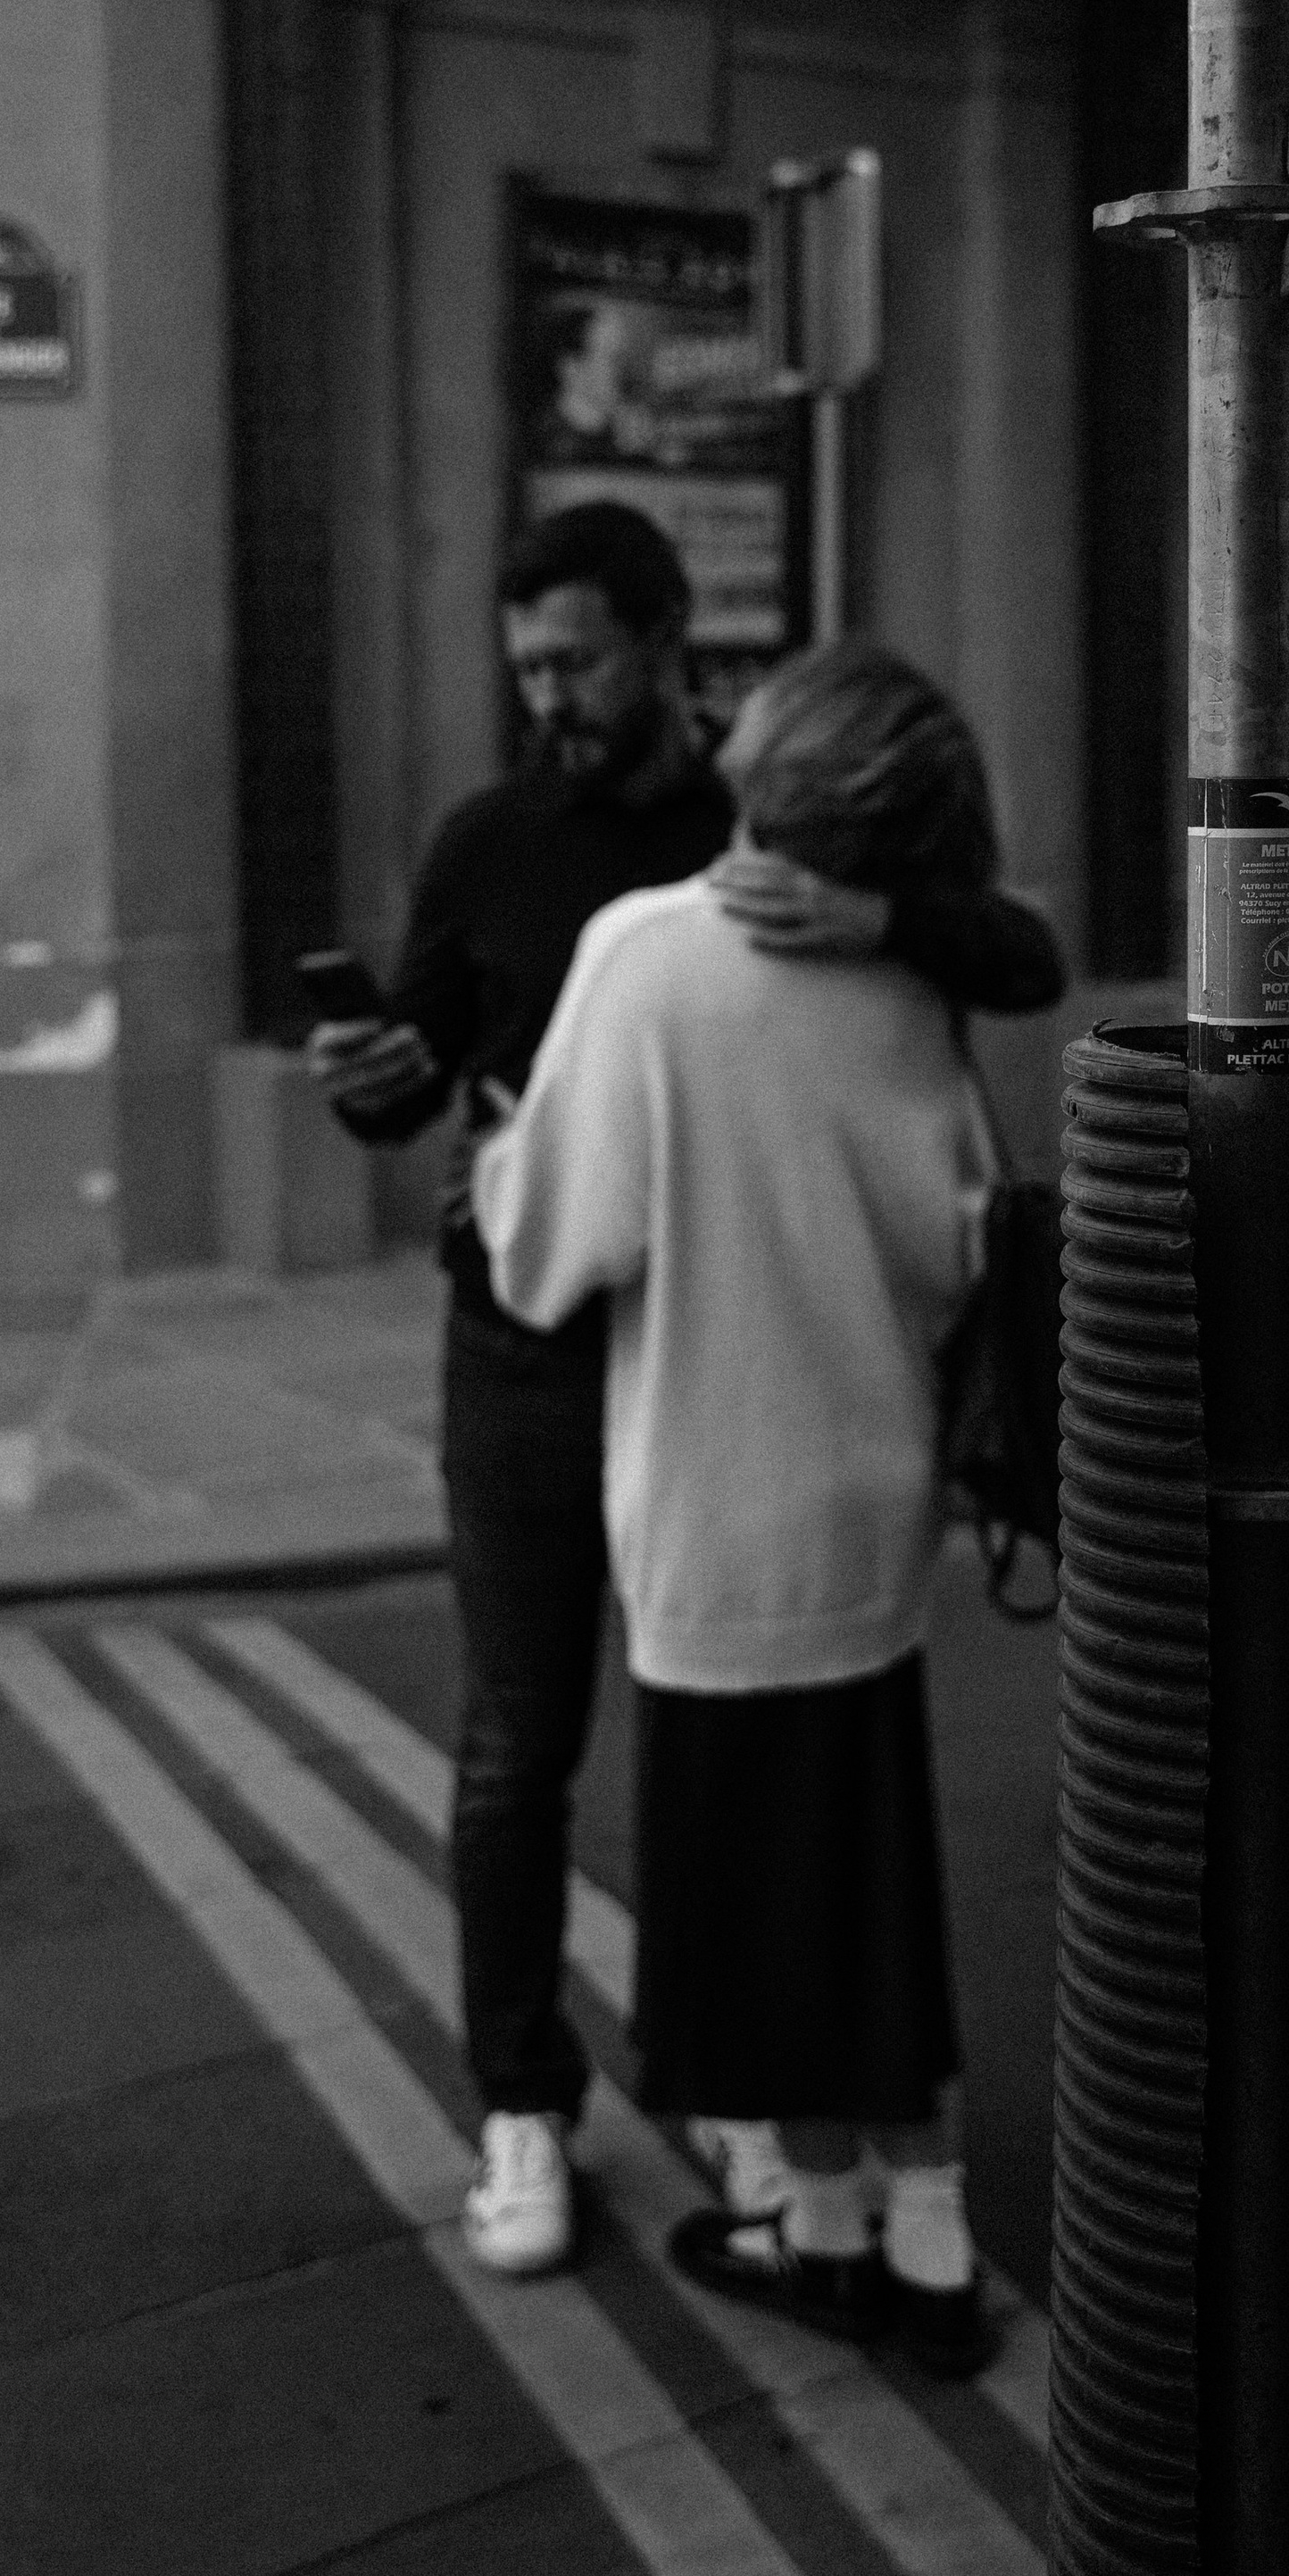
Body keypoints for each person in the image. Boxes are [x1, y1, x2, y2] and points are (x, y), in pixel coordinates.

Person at [308, 503, 1061, 2281]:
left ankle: (769, 2131)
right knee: (520, 1745)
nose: (548, 698)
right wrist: (379, 1078)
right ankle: (525, 2101)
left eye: (573, 661)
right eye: (525, 672)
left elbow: (1007, 957)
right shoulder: (487, 841)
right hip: (537, 1366)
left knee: (719, 1758)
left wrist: (876, 910)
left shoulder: (770, 836)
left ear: (666, 644)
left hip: (696, 1356)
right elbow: (412, 1082)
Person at [472, 640, 1006, 2374]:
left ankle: (824, 2227)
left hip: (710, 1513)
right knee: (865, 1893)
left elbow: (552, 1246)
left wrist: (492, 1158)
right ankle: (916, 2242)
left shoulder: (643, 958)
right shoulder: (908, 980)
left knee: (749, 1919)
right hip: (870, 1511)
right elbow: (957, 1238)